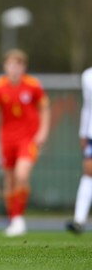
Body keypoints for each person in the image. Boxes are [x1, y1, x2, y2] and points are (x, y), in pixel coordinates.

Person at [0, 49, 50, 237]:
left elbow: (44, 109)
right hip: (7, 140)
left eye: (18, 64)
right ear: (5, 66)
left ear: (24, 67)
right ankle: (13, 219)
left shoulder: (33, 85)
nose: (14, 68)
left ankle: (19, 218)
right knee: (10, 180)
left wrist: (43, 132)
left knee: (22, 174)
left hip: (28, 139)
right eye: (11, 64)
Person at [66, 67, 92, 234]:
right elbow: (88, 106)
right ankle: (79, 219)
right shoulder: (88, 76)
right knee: (89, 171)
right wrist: (83, 132)